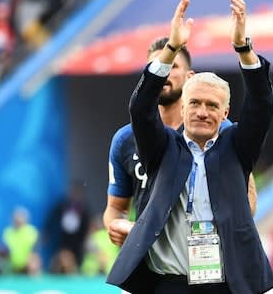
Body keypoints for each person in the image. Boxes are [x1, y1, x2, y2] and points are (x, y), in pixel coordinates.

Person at [106, 0, 273, 293]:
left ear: (225, 113)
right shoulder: (162, 148)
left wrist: (242, 47)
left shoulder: (236, 145)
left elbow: (262, 104)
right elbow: (141, 108)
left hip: (224, 283)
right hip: (168, 283)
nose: (202, 111)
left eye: (212, 105)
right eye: (195, 103)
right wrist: (171, 47)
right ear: (183, 109)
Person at [103, 29, 257, 248]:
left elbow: (247, 197)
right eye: (156, 68)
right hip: (151, 261)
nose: (163, 73)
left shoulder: (221, 131)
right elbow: (116, 208)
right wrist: (117, 225)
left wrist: (229, 230)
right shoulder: (126, 139)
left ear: (189, 77)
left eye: (172, 66)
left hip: (207, 257)